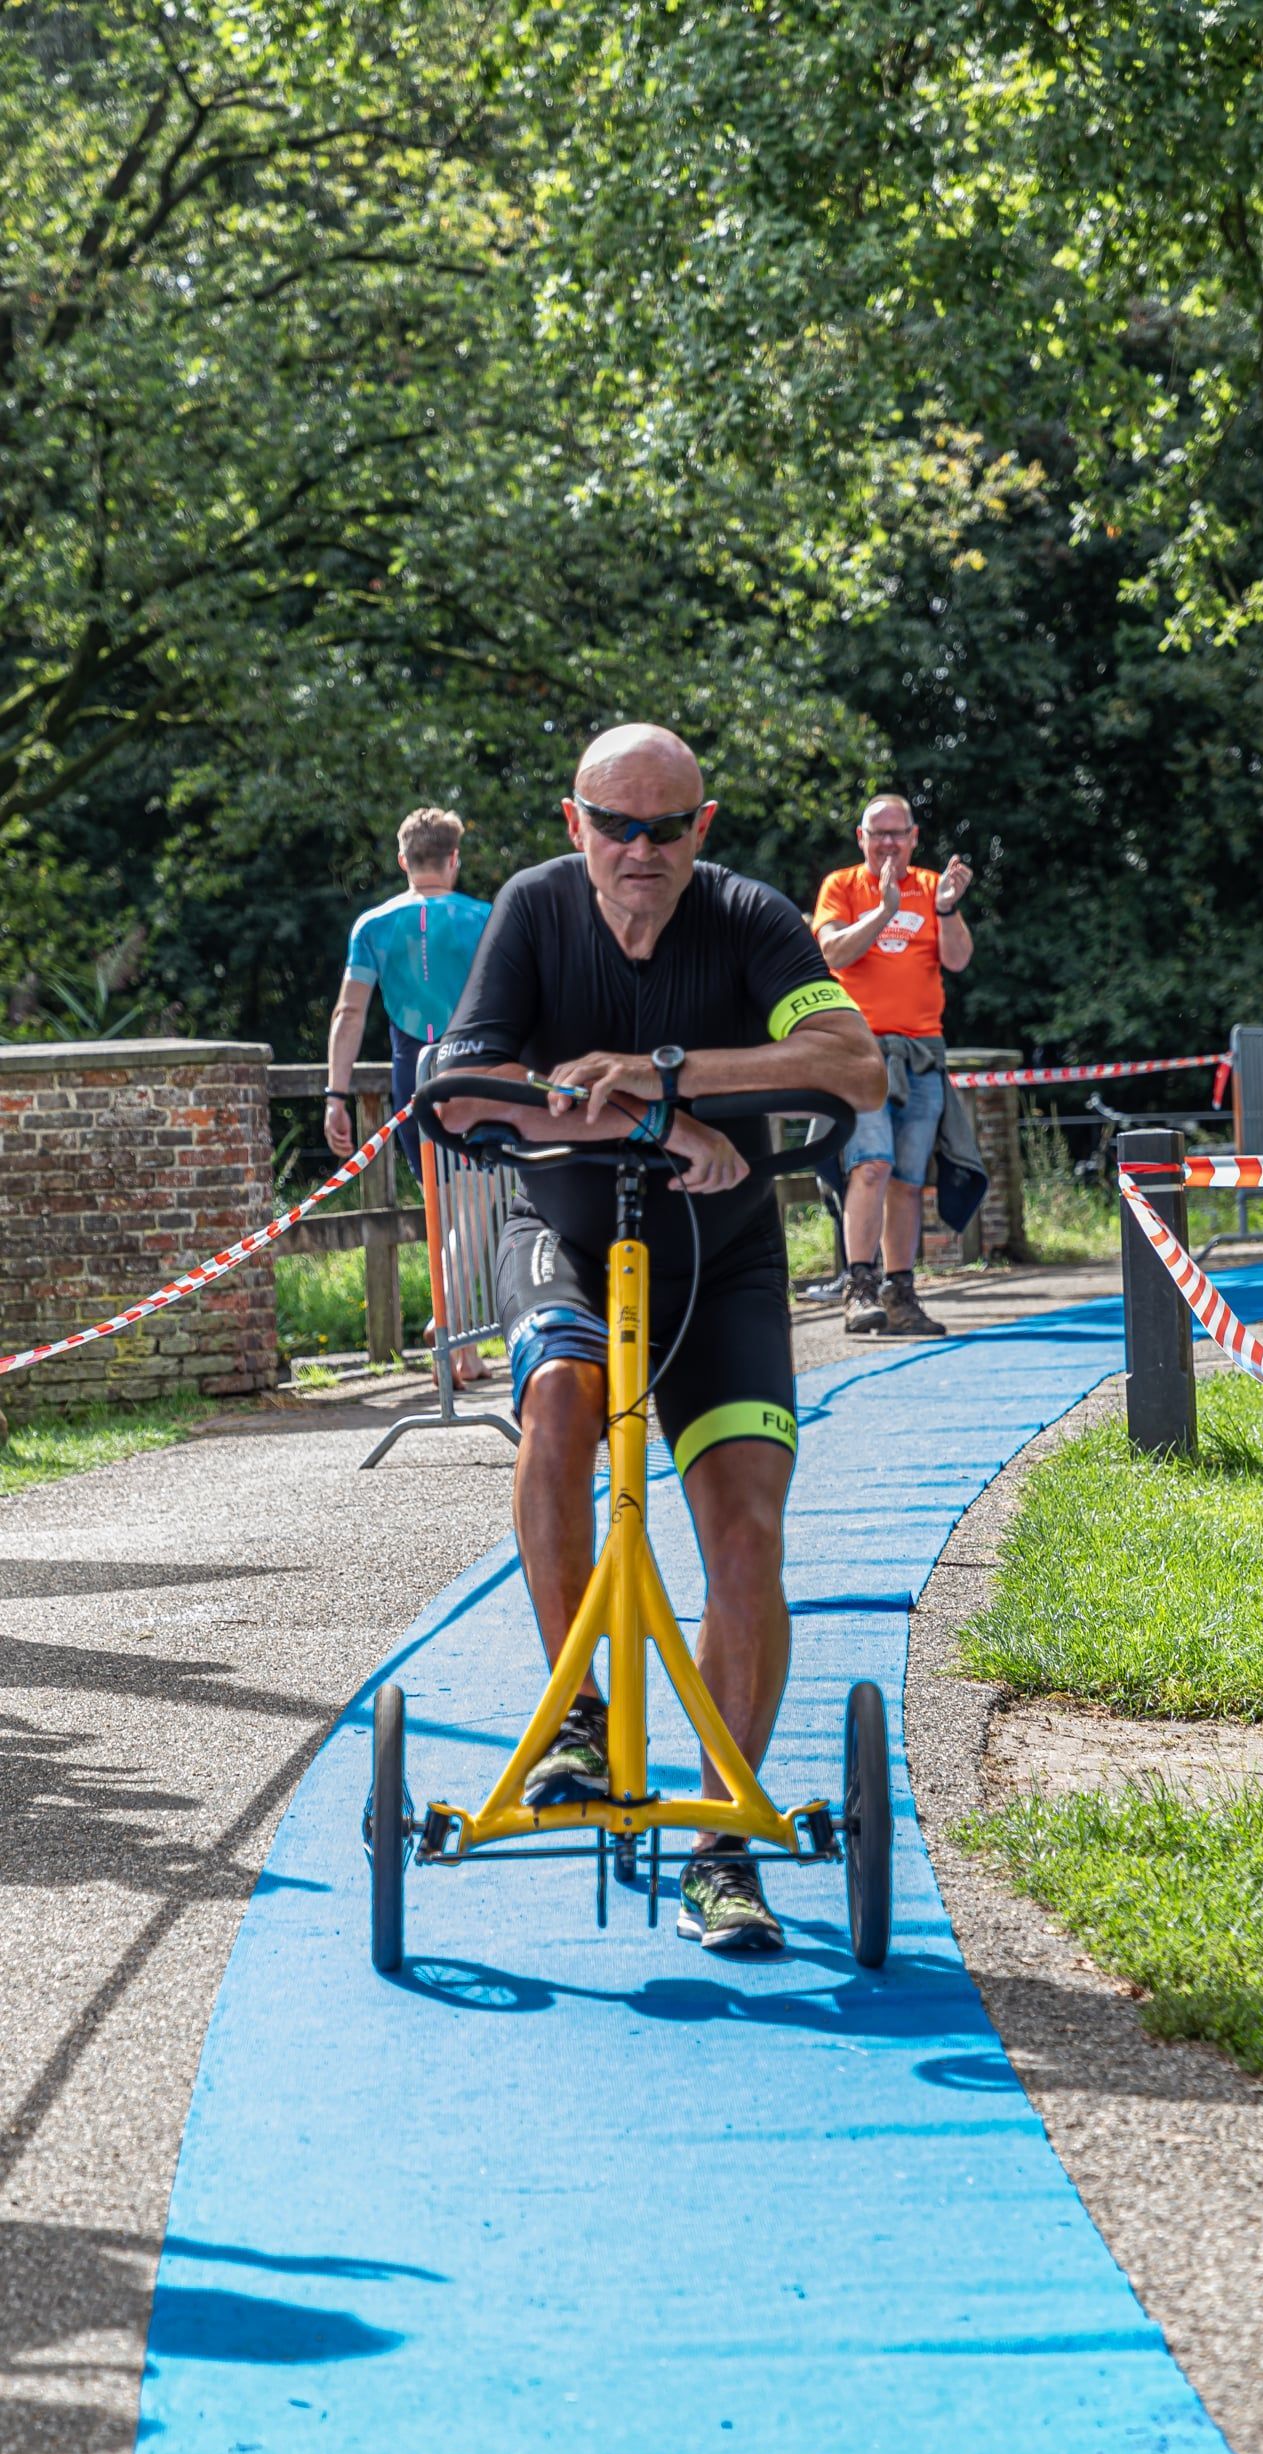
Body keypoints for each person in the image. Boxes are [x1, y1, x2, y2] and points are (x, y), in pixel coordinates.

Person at [432, 723, 884, 1954]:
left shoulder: (748, 919)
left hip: (719, 1266)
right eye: (614, 824)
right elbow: (461, 1093)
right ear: (573, 820)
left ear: (704, 827)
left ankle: (721, 1844)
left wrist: (662, 1076)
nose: (639, 849)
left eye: (665, 827)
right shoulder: (530, 911)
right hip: (568, 1242)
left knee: (745, 1534)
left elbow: (852, 1067)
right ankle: (575, 1718)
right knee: (559, 1405)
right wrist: (653, 1131)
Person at [324, 807, 494, 1385]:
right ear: (454, 859)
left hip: (409, 1079)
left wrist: (335, 1095)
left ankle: (463, 1353)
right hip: (471, 1075)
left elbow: (350, 1012)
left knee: (446, 1214)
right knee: (475, 1210)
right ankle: (446, 1319)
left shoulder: (372, 925)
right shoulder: (485, 918)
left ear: (402, 860)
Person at [812, 793, 974, 1335]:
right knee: (870, 1165)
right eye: (876, 833)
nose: (886, 842)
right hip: (860, 1054)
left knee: (906, 1179)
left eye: (896, 833)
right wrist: (882, 911)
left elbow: (957, 960)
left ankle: (900, 1297)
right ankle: (859, 1289)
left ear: (913, 837)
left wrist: (947, 908)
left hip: (922, 1053)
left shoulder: (932, 888)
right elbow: (833, 954)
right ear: (860, 838)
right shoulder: (841, 887)